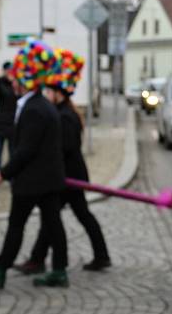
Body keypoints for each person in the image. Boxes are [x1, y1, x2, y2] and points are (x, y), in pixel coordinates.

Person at [0, 39, 70, 289]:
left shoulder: (34, 109)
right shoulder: (40, 105)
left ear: (25, 81)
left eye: (15, 78)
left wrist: (2, 172)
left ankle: (0, 270)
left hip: (33, 180)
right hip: (46, 179)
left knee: (19, 226)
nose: (11, 81)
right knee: (52, 225)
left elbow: (26, 149)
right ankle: (58, 270)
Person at [15, 49, 111, 275]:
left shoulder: (65, 116)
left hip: (69, 176)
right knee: (66, 217)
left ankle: (39, 261)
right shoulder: (62, 112)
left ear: (59, 94)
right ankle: (99, 255)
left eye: (50, 91)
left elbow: (65, 148)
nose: (47, 94)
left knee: (57, 219)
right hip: (68, 175)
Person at [0, 61, 17, 189]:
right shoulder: (0, 83)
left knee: (12, 153)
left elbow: (14, 96)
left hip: (12, 124)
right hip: (0, 124)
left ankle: (12, 178)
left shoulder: (15, 84)